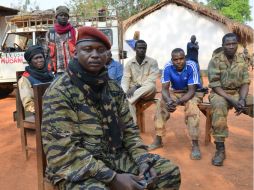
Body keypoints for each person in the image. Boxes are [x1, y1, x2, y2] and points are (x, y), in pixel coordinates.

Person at [41, 26, 181, 190]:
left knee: (168, 173)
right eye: (87, 49)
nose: (95, 55)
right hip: (77, 167)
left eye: (101, 50)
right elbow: (63, 152)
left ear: (108, 55)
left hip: (115, 156)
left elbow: (129, 131)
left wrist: (143, 160)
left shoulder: (112, 88)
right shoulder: (60, 91)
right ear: (76, 53)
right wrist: (112, 178)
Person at [148, 48, 204, 160]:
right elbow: (164, 89)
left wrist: (177, 102)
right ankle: (158, 139)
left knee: (192, 108)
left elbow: (191, 91)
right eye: (176, 59)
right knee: (161, 103)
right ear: (172, 60)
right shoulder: (168, 67)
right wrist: (169, 101)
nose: (179, 61)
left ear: (185, 58)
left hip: (192, 92)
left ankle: (195, 144)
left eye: (181, 58)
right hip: (176, 92)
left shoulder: (191, 65)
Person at [208, 33, 253, 166]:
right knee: (219, 107)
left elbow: (245, 82)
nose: (231, 46)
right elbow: (215, 85)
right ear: (223, 45)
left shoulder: (242, 60)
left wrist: (243, 100)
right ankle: (220, 149)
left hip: (238, 93)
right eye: (228, 44)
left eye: (234, 43)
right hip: (220, 93)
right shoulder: (215, 60)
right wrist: (232, 101)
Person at [121, 40, 159, 123]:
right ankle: (134, 129)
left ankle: (126, 100)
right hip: (133, 93)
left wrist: (136, 86)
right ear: (135, 49)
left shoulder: (152, 62)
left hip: (147, 93)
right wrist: (124, 92)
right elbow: (125, 79)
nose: (142, 50)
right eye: (139, 48)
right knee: (129, 104)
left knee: (151, 86)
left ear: (146, 49)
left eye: (144, 48)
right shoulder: (129, 63)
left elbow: (151, 79)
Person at [18, 45, 54, 113]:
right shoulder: (25, 79)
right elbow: (28, 105)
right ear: (30, 61)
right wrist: (46, 109)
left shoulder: (49, 74)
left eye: (41, 57)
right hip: (39, 114)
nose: (39, 60)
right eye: (36, 58)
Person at [45, 5, 76, 76]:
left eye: (65, 15)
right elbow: (45, 52)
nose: (63, 17)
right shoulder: (51, 33)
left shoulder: (73, 32)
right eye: (61, 15)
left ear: (68, 17)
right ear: (56, 17)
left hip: (73, 70)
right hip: (56, 71)